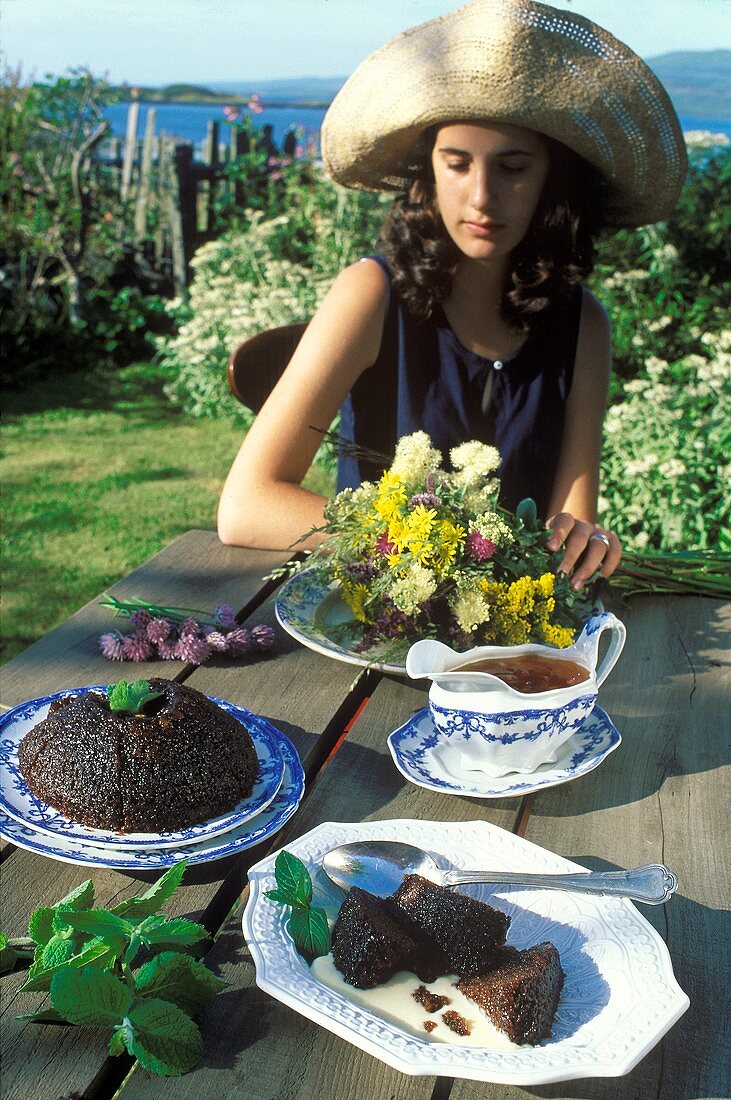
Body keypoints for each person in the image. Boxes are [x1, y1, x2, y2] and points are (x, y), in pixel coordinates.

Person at [218, 0, 686, 591]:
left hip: (509, 637)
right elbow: (247, 506)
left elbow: (572, 522)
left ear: (554, 180)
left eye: (513, 168)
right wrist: (438, 547)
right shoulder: (371, 293)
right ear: (428, 172)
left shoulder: (582, 323)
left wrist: (584, 543)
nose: (482, 196)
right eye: (457, 163)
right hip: (373, 617)